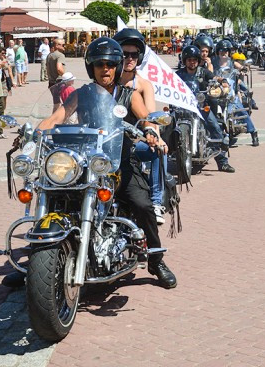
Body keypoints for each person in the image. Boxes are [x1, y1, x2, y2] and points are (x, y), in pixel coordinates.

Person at [39, 37, 177, 289]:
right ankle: (37, 260)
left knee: (142, 204)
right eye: (100, 64)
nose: (106, 69)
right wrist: (31, 133)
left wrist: (152, 132)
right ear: (92, 67)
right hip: (86, 162)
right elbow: (57, 116)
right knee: (54, 194)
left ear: (117, 66)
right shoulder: (81, 95)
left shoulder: (128, 94)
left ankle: (157, 260)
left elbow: (146, 119)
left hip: (118, 162)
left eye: (111, 64)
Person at [114, 28, 171, 222]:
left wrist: (155, 136)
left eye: (134, 54)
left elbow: (151, 117)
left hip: (134, 140)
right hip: (107, 141)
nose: (129, 58)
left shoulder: (144, 85)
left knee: (157, 151)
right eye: (124, 54)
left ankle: (156, 201)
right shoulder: (106, 81)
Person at [175, 45, 235, 172]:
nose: (192, 62)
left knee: (215, 129)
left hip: (201, 107)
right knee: (168, 126)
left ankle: (222, 162)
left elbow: (214, 77)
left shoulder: (203, 72)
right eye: (189, 60)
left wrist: (222, 80)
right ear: (185, 60)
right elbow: (168, 83)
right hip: (183, 107)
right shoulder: (178, 74)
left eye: (194, 59)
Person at [46, 38, 67, 109]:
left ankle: (54, 119)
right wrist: (67, 76)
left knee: (56, 103)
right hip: (59, 81)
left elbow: (47, 69)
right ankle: (59, 119)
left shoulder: (49, 56)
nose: (64, 46)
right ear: (57, 45)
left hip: (52, 82)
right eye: (63, 45)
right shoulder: (60, 55)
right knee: (66, 103)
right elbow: (59, 68)